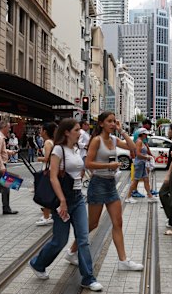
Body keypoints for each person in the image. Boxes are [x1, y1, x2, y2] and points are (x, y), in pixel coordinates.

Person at [29, 118, 103, 292]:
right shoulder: (58, 149)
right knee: (59, 241)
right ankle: (38, 263)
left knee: (83, 239)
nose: (81, 132)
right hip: (63, 200)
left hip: (77, 199)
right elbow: (53, 176)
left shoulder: (76, 149)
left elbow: (77, 169)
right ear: (67, 132)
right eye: (77, 130)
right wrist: (62, 201)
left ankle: (88, 278)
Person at [64, 112, 142, 271]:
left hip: (110, 184)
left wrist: (122, 131)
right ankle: (72, 251)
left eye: (114, 121)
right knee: (92, 224)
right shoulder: (96, 141)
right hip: (98, 184)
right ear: (101, 124)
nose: (113, 124)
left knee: (118, 222)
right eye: (109, 121)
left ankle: (123, 260)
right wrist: (109, 166)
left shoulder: (114, 139)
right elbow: (89, 163)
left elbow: (133, 149)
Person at [35, 122, 58, 226]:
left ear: (45, 131)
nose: (40, 132)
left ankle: (46, 216)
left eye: (41, 130)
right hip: (51, 170)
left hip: (47, 170)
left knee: (45, 194)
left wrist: (39, 158)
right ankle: (48, 215)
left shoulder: (48, 142)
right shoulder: (52, 141)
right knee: (48, 193)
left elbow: (47, 158)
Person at [127, 128, 156, 201]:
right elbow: (138, 154)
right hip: (139, 163)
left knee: (146, 179)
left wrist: (148, 156)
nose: (146, 136)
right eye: (145, 134)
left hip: (142, 164)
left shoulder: (142, 142)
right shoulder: (139, 142)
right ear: (142, 134)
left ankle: (150, 196)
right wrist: (147, 157)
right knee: (136, 180)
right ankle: (128, 197)